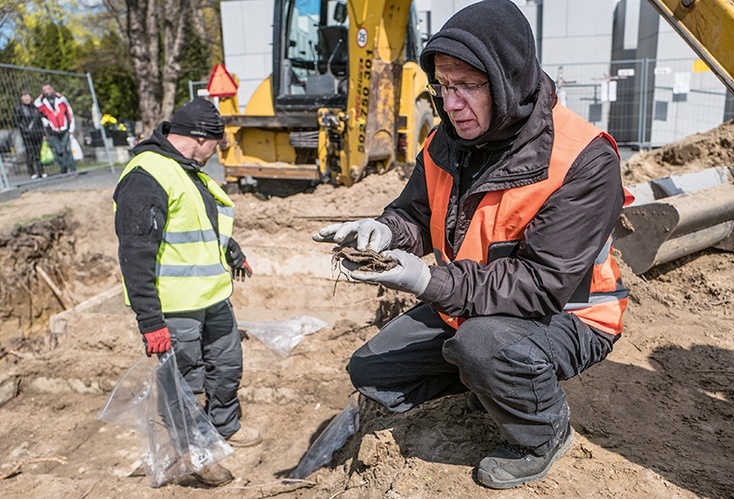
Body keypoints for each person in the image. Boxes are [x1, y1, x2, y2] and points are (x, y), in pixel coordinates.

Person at [313, 0, 631, 490]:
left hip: (569, 314)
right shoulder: (446, 140)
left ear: (508, 80)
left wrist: (427, 279)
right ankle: (488, 381)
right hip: (473, 300)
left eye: (466, 86)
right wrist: (385, 231)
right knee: (372, 373)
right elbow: (416, 214)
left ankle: (543, 433)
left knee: (483, 347)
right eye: (443, 86)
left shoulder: (583, 160)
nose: (451, 102)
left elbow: (541, 286)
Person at [113, 98, 259, 488]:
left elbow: (199, 222)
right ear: (200, 138)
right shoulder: (146, 176)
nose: (217, 153)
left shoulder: (186, 170)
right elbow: (135, 254)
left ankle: (224, 427)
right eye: (217, 144)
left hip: (212, 298)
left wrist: (232, 251)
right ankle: (191, 453)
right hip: (175, 310)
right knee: (183, 384)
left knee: (227, 367)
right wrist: (150, 322)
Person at [35, 83, 76, 174]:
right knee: (58, 150)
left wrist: (71, 127)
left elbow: (69, 112)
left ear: (52, 89)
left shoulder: (61, 100)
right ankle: (63, 169)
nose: (47, 91)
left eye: (48, 89)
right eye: (44, 90)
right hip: (52, 130)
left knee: (68, 149)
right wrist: (41, 96)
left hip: (64, 128)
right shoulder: (43, 103)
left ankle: (73, 169)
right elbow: (36, 105)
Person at [12, 91, 46, 179]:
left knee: (38, 153)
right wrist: (25, 130)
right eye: (24, 96)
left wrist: (43, 133)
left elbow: (39, 121)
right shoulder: (19, 109)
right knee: (30, 153)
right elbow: (17, 121)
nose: (27, 98)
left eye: (28, 96)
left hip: (37, 133)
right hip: (27, 135)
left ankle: (41, 171)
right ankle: (32, 172)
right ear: (21, 98)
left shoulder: (35, 108)